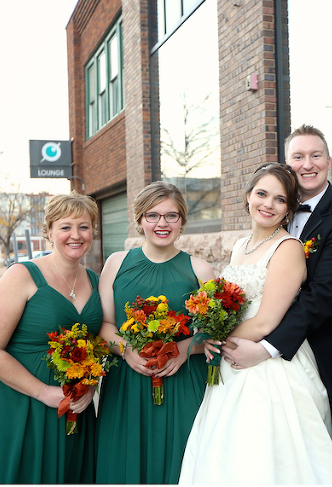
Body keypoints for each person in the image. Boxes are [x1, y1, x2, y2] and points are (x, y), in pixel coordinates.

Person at [179, 162, 332, 484]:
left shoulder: (288, 248)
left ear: (289, 209)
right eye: (262, 194)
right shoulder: (240, 245)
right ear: (248, 196)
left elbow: (266, 321)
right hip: (232, 359)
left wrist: (214, 337)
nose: (268, 204)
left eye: (280, 199)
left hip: (268, 364)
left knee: (265, 452)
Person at [221, 125, 332, 483]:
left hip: (323, 361)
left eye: (315, 155)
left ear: (328, 161)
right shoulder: (261, 229)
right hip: (253, 359)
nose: (308, 164)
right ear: (288, 164)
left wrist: (265, 347)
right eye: (298, 157)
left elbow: (322, 297)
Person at [0, 193, 101, 483]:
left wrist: (89, 387)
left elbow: (96, 345)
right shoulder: (22, 275)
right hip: (16, 403)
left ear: (93, 232)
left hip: (73, 404)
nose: (75, 235)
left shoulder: (95, 280)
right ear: (49, 231)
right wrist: (43, 392)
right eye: (65, 227)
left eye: (84, 227)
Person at [95, 181, 214, 484]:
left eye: (171, 216)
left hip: (182, 379)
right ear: (140, 220)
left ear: (182, 220)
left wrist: (184, 349)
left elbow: (212, 333)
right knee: (125, 461)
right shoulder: (116, 264)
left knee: (181, 461)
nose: (162, 223)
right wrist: (126, 350)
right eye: (153, 215)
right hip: (127, 382)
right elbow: (105, 325)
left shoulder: (200, 269)